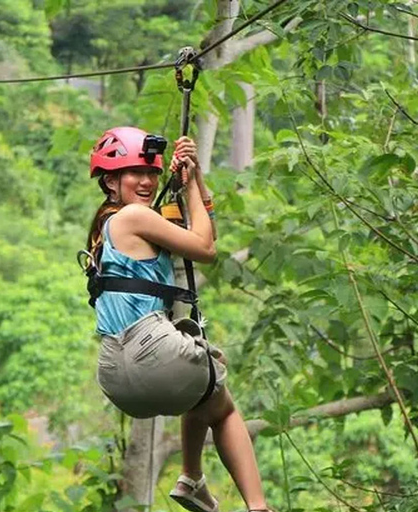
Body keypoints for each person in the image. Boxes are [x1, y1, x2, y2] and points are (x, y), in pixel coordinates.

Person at [84, 126, 270, 512]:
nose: (147, 181)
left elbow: (199, 230)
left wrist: (192, 177)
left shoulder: (108, 228)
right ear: (110, 182)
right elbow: (206, 248)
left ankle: (191, 479)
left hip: (115, 372)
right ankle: (257, 506)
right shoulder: (135, 216)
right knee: (224, 408)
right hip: (150, 349)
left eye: (152, 173)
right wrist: (188, 187)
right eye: (135, 173)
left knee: (200, 383)